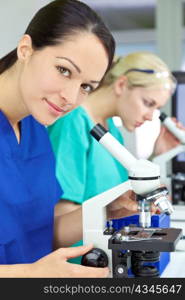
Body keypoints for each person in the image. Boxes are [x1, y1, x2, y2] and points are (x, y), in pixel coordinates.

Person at [0, 0, 131, 278]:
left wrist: (105, 210)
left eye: (86, 87)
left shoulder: (36, 128)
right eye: (63, 70)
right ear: (26, 49)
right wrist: (27, 274)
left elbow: (36, 233)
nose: (71, 98)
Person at [47, 51, 177, 263]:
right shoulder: (73, 122)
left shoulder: (111, 131)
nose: (150, 115)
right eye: (147, 103)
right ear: (121, 85)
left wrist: (158, 154)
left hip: (106, 257)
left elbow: (121, 195)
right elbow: (60, 219)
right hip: (78, 265)